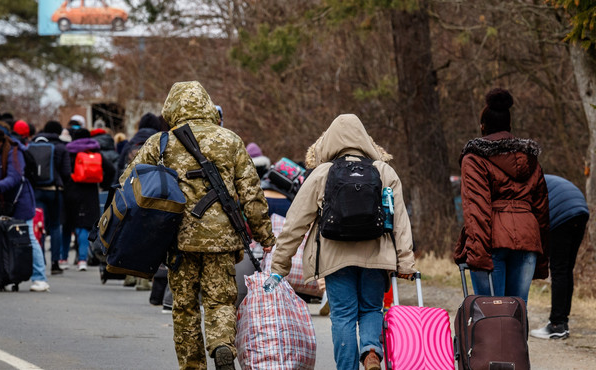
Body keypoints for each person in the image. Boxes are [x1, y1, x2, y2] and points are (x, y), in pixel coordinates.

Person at [120, 81, 275, 370]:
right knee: (221, 301)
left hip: (177, 240)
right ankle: (221, 345)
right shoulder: (230, 140)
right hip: (221, 240)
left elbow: (129, 184)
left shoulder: (160, 143)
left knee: (185, 307)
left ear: (172, 108)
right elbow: (251, 193)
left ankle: (193, 366)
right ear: (206, 104)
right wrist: (266, 236)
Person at [268, 114, 415, 370]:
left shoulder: (322, 174)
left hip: (335, 257)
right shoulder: (383, 171)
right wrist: (405, 262)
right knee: (371, 309)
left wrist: (279, 265)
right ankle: (371, 351)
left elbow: (294, 224)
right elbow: (400, 219)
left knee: (343, 316)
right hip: (376, 256)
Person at [454, 88, 549, 304]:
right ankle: (518, 339)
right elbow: (542, 210)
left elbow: (476, 208)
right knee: (517, 310)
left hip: (491, 241)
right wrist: (542, 256)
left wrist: (477, 254)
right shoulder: (531, 159)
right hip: (527, 239)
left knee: (490, 312)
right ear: (509, 126)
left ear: (483, 127)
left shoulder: (475, 159)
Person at [0, 127, 50, 292]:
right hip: (1, 203)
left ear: (1, 142)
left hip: (20, 202)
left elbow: (15, 177)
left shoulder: (15, 153)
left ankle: (40, 278)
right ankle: (3, 276)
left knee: (28, 237)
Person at [530, 174, 589, 339]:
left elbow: (533, 222)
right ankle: (562, 323)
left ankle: (556, 325)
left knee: (559, 270)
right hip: (580, 211)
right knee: (566, 269)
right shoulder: (541, 178)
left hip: (562, 215)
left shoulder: (526, 185)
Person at [63, 128, 115, 271]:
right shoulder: (95, 151)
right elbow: (110, 169)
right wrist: (103, 184)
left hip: (71, 191)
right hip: (90, 192)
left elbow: (64, 171)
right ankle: (82, 260)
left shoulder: (70, 152)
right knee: (84, 226)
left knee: (69, 225)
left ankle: (63, 258)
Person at [31, 120, 72, 274]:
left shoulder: (32, 146)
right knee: (55, 225)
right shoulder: (61, 147)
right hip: (55, 190)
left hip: (36, 190)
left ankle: (40, 260)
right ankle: (55, 263)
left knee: (39, 225)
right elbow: (67, 172)